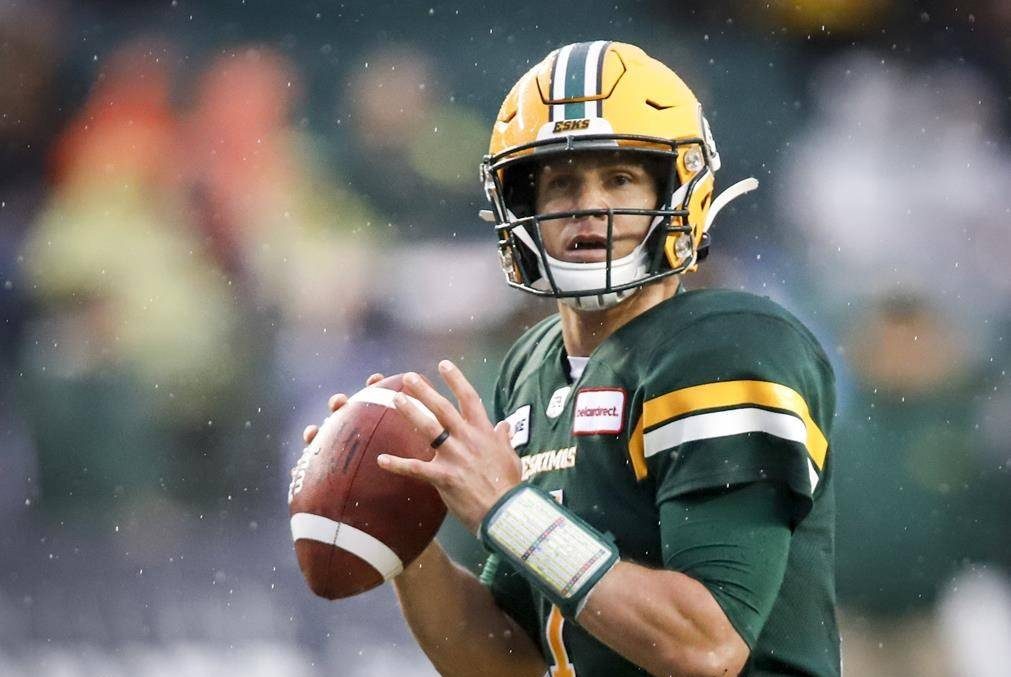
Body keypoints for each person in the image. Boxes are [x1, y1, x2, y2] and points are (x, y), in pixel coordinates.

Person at [302, 41, 838, 676]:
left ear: (678, 190)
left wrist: (508, 511)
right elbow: (508, 664)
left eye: (618, 178)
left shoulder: (726, 349)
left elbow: (706, 647)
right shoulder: (531, 366)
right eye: (561, 184)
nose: (589, 205)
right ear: (521, 207)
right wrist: (405, 541)